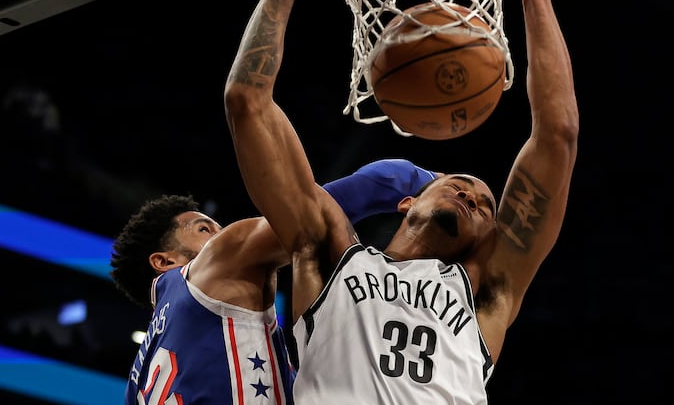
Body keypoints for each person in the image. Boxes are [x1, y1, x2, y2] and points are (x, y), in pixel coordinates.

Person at [224, 0, 578, 405]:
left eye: (485, 202)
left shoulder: (487, 289)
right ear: (406, 202)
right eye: (458, 182)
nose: (472, 195)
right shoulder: (327, 252)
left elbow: (557, 134)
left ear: (489, 238)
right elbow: (245, 101)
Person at [110, 157, 439, 404]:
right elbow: (363, 189)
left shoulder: (136, 385)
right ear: (165, 261)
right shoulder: (215, 265)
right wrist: (442, 186)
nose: (221, 235)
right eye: (204, 229)